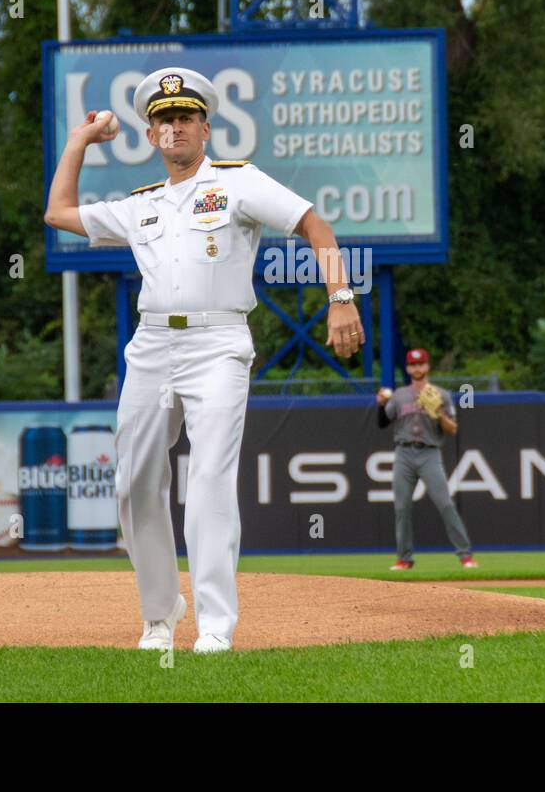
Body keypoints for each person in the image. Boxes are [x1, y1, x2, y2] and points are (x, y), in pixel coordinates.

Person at [44, 67, 363, 654]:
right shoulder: (140, 206)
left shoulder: (237, 183)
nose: (174, 128)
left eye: (185, 117)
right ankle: (160, 614)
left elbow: (314, 223)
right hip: (151, 346)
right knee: (134, 482)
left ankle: (215, 625)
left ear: (205, 127)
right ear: (150, 135)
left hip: (218, 343)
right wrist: (78, 142)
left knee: (210, 478)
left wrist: (340, 297)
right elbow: (59, 214)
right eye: (163, 120)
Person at [376, 348, 477, 571]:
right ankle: (404, 559)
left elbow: (452, 428)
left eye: (421, 364)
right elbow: (383, 422)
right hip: (404, 452)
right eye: (413, 365)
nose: (417, 368)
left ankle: (466, 556)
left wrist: (438, 413)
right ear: (408, 368)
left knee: (445, 504)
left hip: (429, 453)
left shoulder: (441, 394)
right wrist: (381, 404)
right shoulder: (400, 395)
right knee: (402, 507)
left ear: (427, 366)